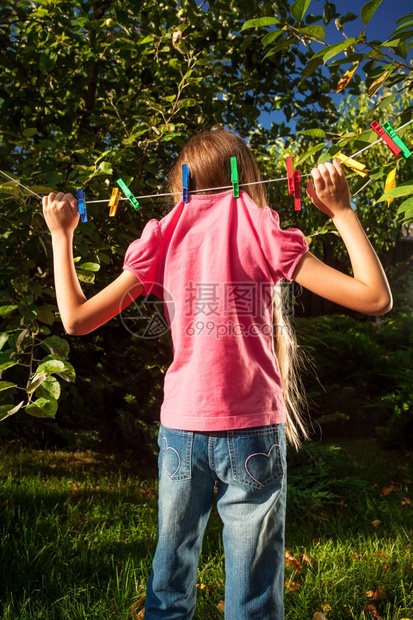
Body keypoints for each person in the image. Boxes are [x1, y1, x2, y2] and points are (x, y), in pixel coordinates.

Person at [42, 129, 392, 619]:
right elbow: (375, 298)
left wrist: (62, 235)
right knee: (252, 592)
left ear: (182, 180)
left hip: (182, 428)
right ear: (246, 175)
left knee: (169, 579)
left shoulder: (164, 232)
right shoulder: (259, 227)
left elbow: (76, 320)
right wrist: (342, 212)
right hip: (252, 430)